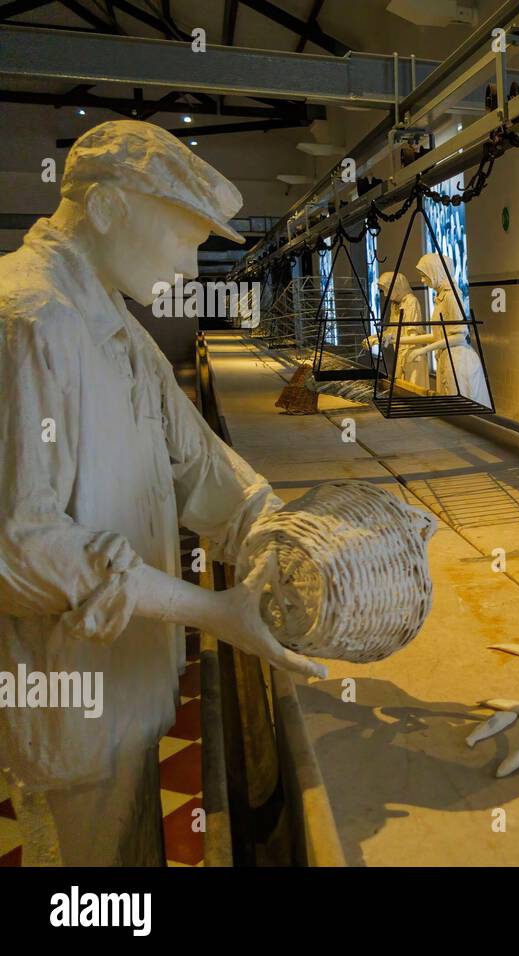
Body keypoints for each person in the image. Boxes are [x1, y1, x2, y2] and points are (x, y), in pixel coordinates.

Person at [0, 120, 323, 866]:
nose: (190, 261)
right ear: (110, 208)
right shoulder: (30, 321)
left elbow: (196, 463)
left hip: (131, 690)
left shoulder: (118, 324)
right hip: (69, 709)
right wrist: (214, 612)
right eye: (182, 238)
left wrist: (277, 531)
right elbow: (21, 548)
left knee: (133, 861)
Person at [413, 252, 490, 406]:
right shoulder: (441, 297)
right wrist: (400, 340)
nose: (422, 280)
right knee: (451, 409)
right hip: (447, 359)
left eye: (424, 275)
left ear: (435, 271)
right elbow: (438, 336)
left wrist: (423, 350)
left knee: (462, 412)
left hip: (458, 362)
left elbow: (460, 337)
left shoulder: (452, 297)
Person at [368, 271, 429, 390]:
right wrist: (374, 338)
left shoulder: (411, 302)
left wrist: (391, 339)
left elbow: (413, 336)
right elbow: (392, 331)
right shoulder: (395, 304)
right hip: (401, 355)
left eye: (387, 290)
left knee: (413, 392)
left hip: (413, 356)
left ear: (397, 286)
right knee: (403, 391)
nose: (385, 294)